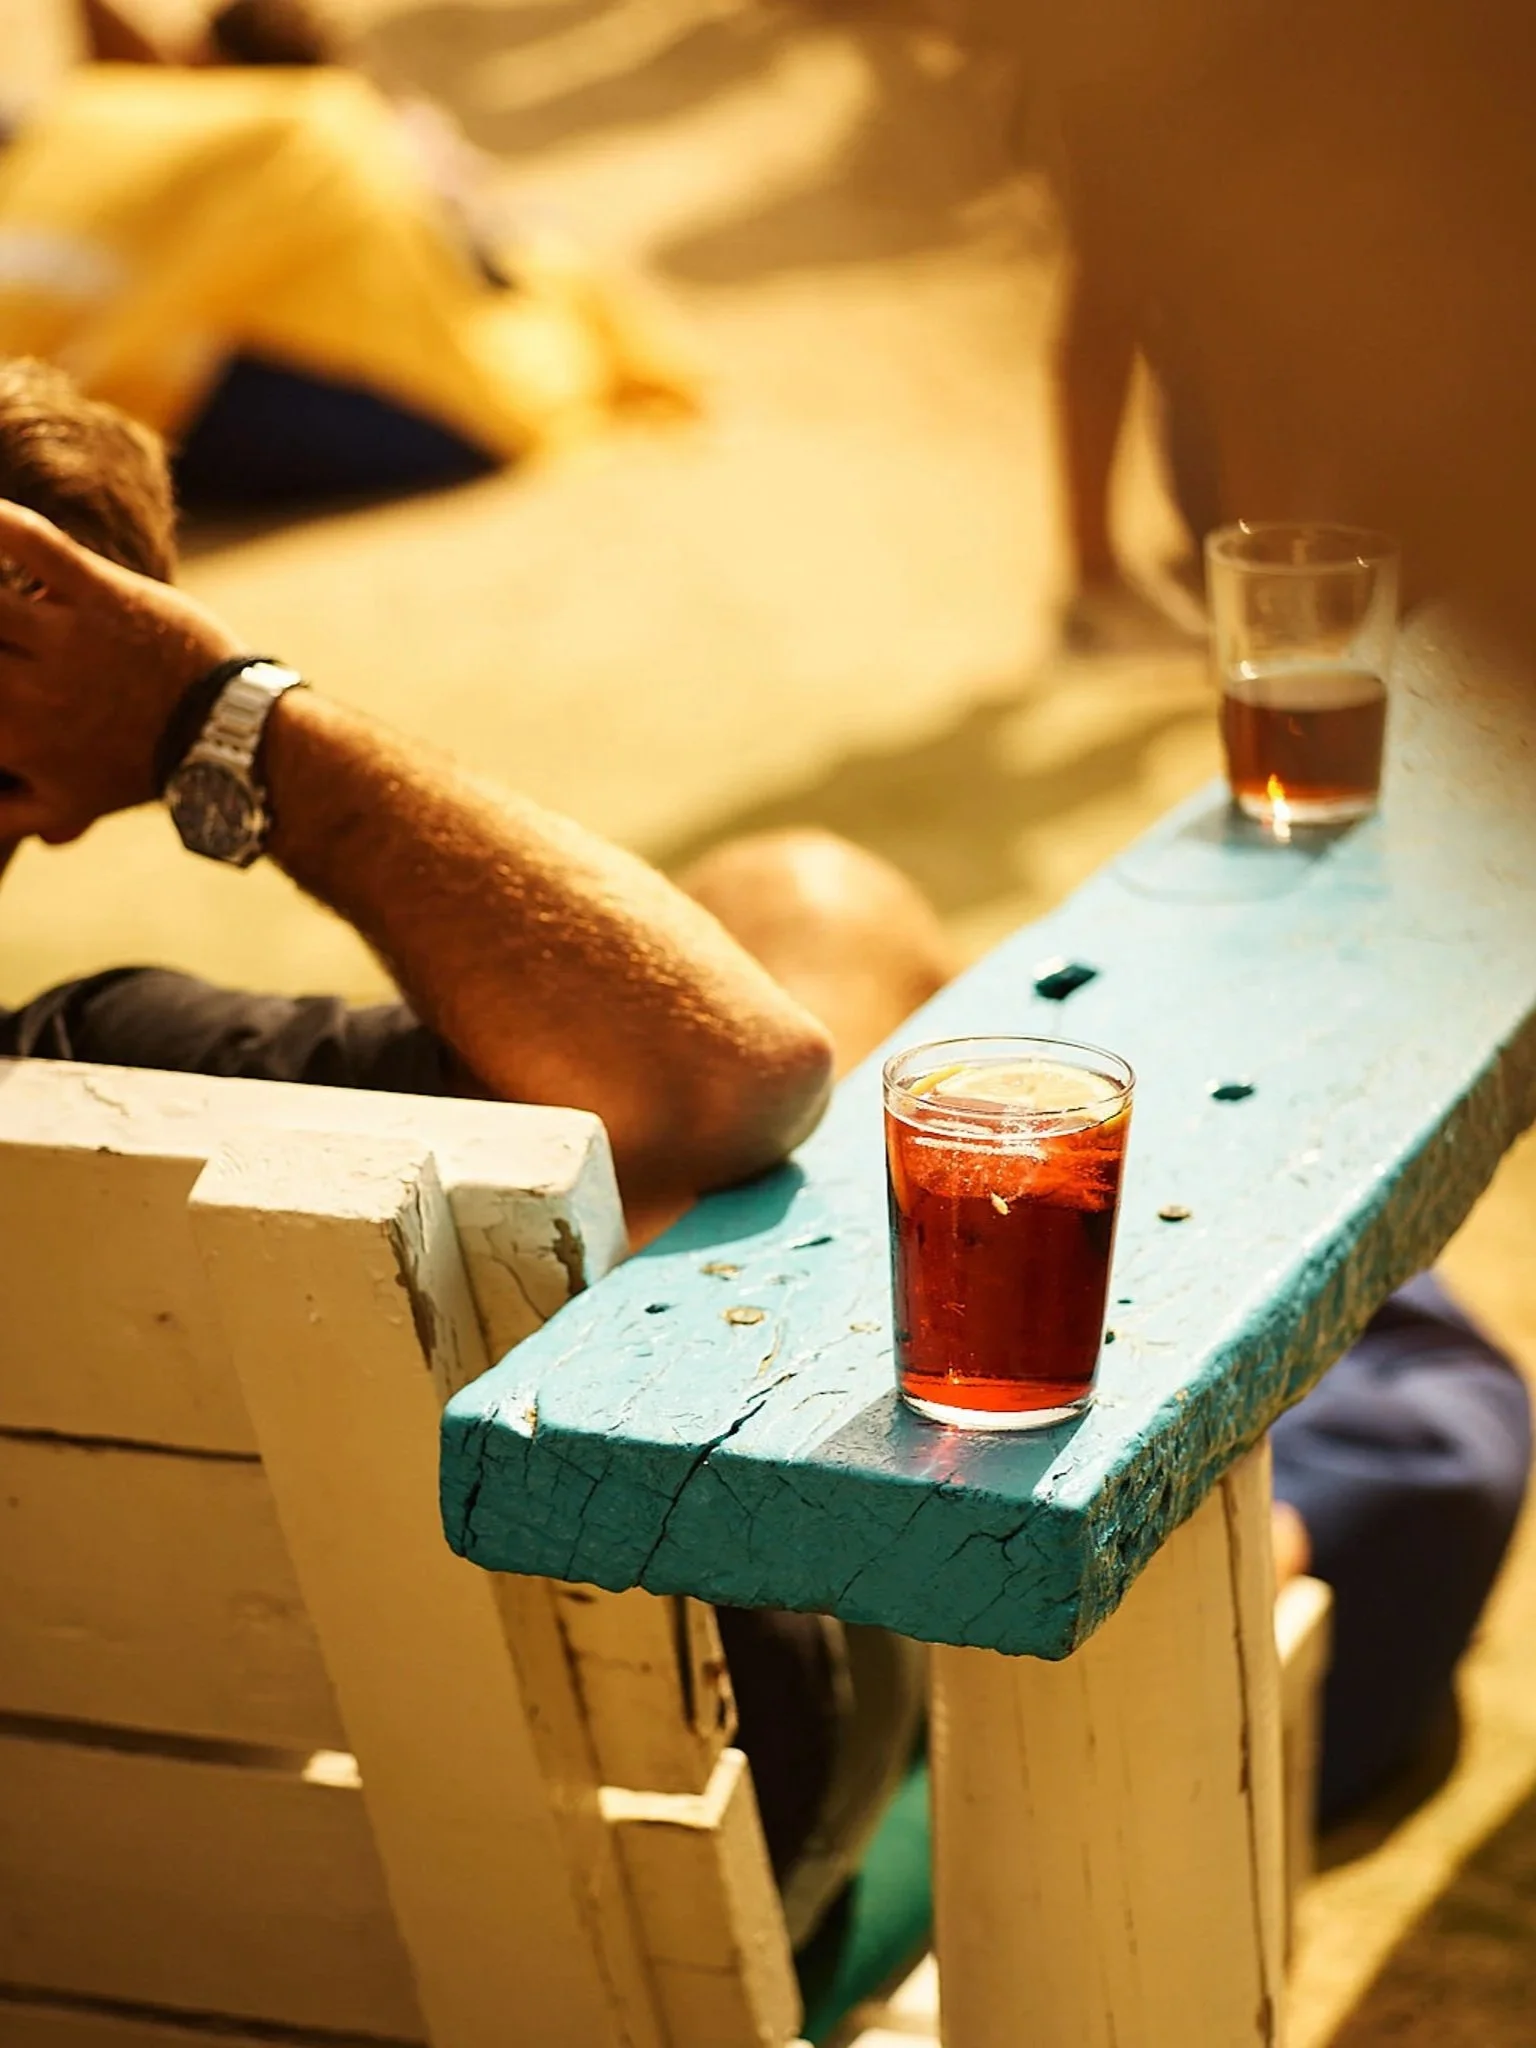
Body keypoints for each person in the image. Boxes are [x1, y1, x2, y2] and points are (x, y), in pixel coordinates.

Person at [0, 355, 1522, 1908]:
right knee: (1410, 1434)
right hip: (682, 1833)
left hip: (133, 1916)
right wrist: (226, 716)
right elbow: (721, 1079)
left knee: (810, 913)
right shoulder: (94, 1067)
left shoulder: (69, 1098)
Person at [0, 4, 691, 506]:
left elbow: (157, 323)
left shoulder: (292, 131)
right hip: (470, 378)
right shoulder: (363, 124)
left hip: (427, 397)